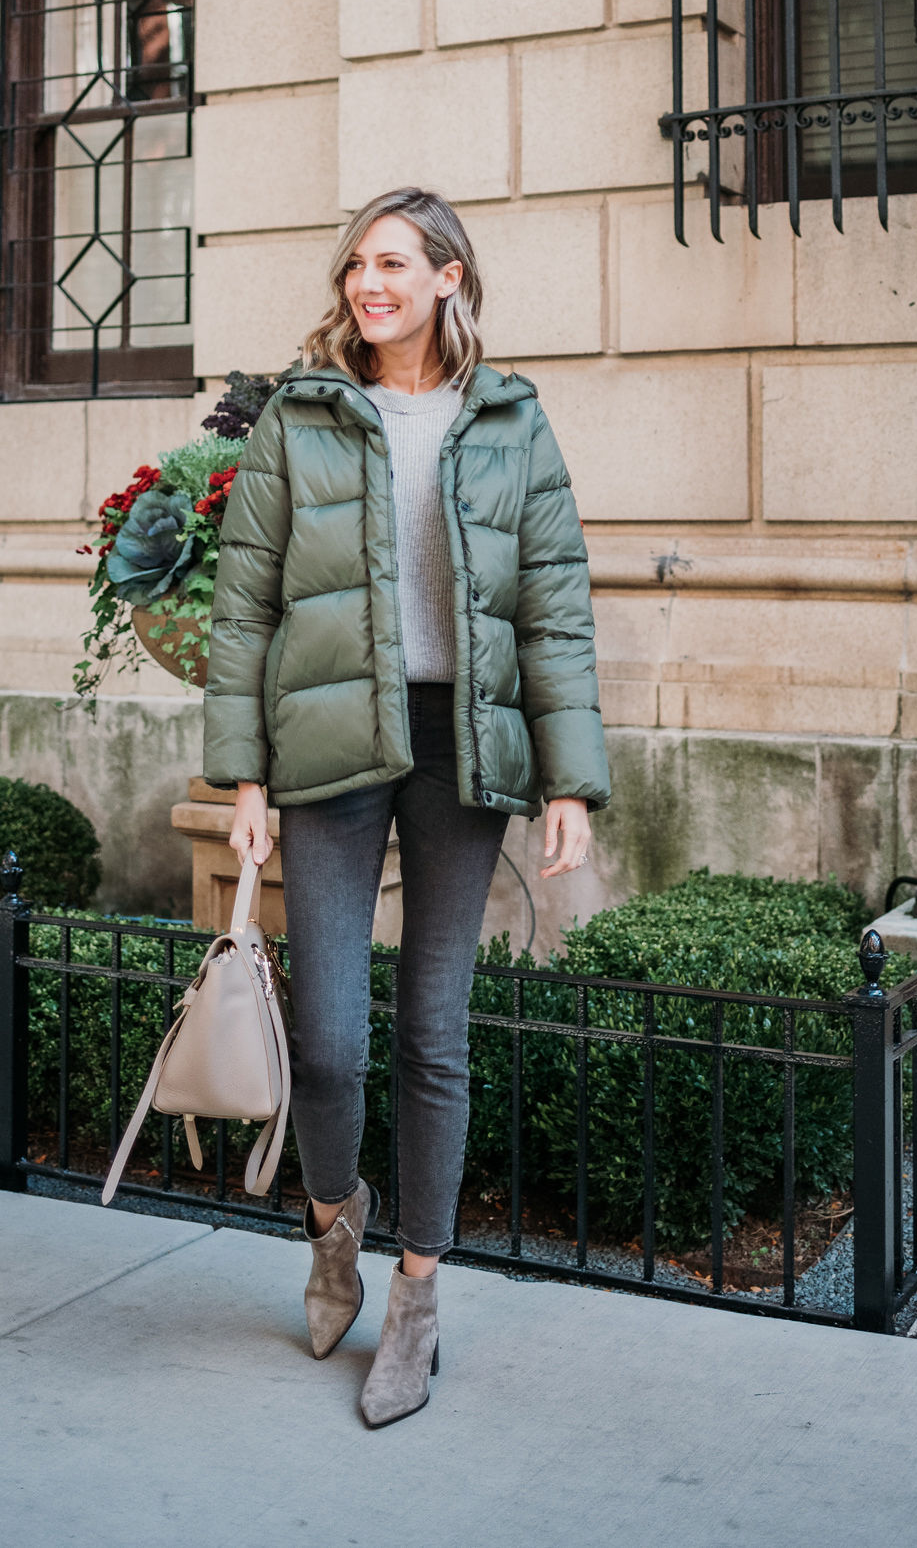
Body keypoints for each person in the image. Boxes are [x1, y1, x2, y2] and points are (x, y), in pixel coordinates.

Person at [202, 187, 609, 1427]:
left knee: (433, 1033)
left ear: (448, 278)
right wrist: (246, 778)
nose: (367, 283)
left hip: (457, 753)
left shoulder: (511, 419)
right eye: (356, 266)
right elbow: (245, 601)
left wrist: (569, 781)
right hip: (328, 744)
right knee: (327, 1039)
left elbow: (553, 602)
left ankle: (418, 1298)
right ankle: (334, 1227)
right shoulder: (304, 414)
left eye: (392, 263)